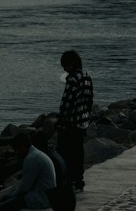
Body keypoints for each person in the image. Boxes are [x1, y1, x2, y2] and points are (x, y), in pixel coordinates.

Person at [56, 50, 93, 192]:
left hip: (70, 123)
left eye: (65, 66)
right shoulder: (86, 76)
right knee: (78, 152)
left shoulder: (72, 79)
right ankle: (79, 181)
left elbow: (66, 103)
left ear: (71, 64)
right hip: (82, 122)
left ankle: (67, 181)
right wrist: (86, 116)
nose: (64, 69)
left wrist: (60, 122)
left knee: (65, 153)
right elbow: (90, 100)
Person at [0, 132, 58, 210]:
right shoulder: (36, 154)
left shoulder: (31, 159)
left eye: (16, 149)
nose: (16, 152)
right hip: (46, 195)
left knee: (1, 208)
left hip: (40, 198)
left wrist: (11, 195)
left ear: (23, 147)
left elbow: (24, 188)